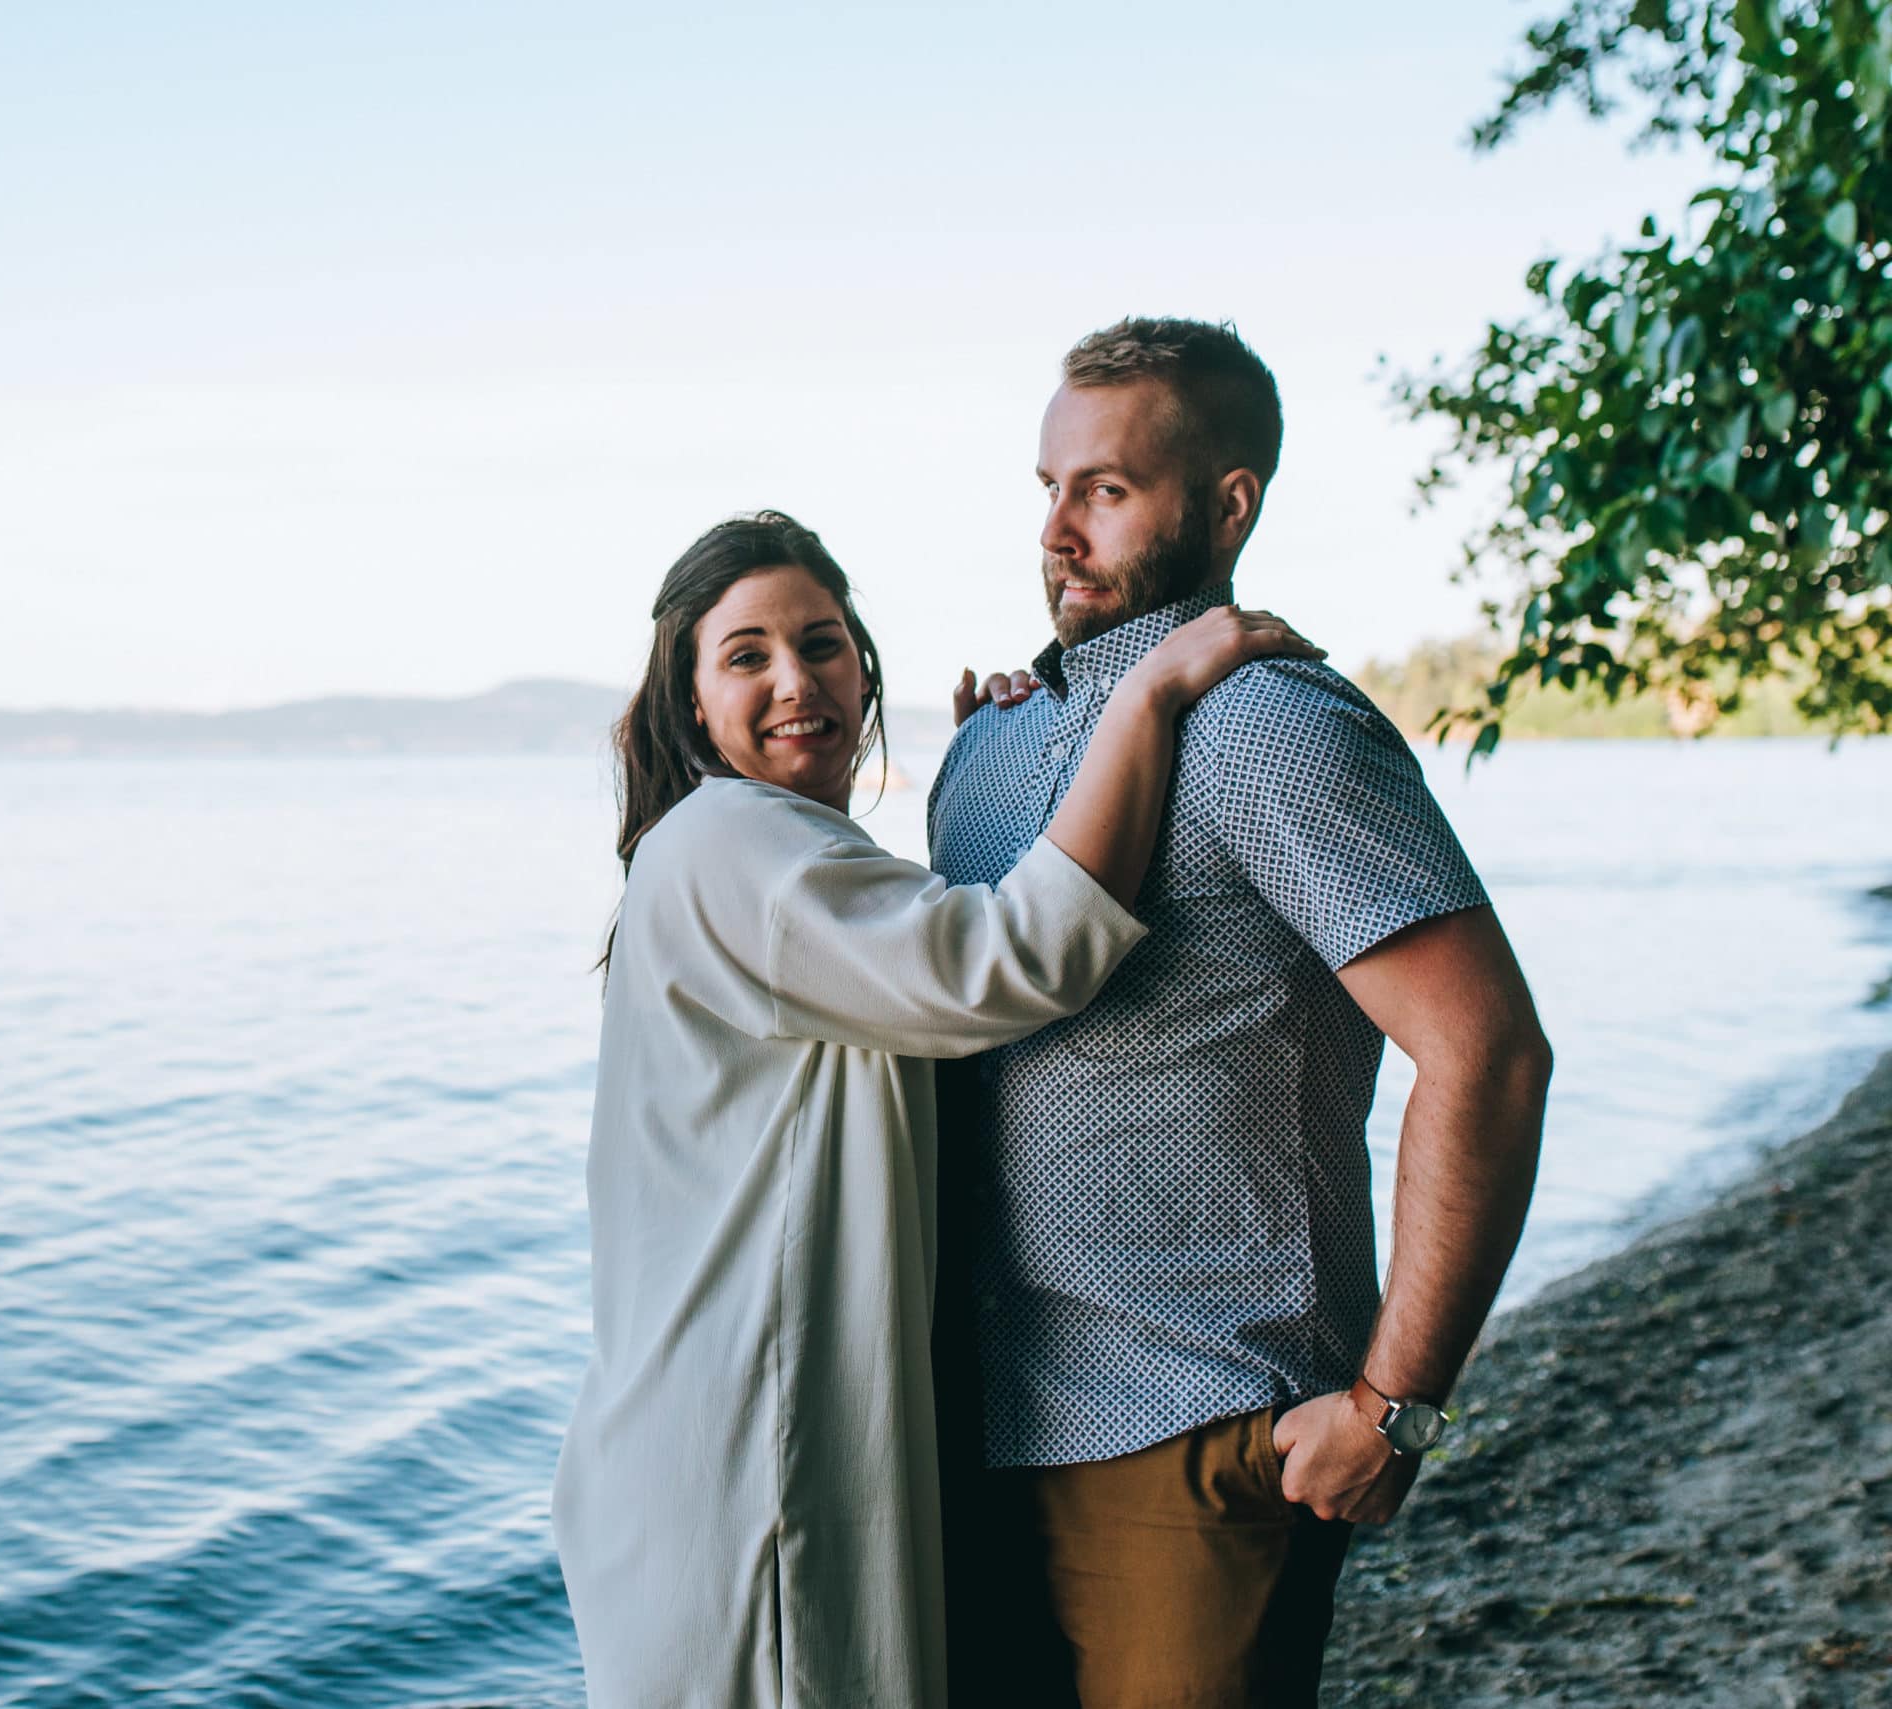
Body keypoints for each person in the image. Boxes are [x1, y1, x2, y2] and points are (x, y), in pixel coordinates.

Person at [552, 509, 1322, 1708]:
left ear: (863, 664)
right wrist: (1145, 700)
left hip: (729, 1436)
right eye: (745, 655)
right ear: (689, 702)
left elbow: (920, 995)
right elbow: (1009, 961)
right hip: (751, 1460)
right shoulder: (727, 839)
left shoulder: (769, 851)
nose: (794, 679)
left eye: (820, 643)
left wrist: (1006, 768)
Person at [930, 319, 1555, 1708]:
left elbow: (1488, 1053)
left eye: (1105, 490)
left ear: (1228, 503)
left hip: (1198, 1428)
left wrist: (1398, 1404)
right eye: (1047, 486)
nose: (1058, 528)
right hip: (980, 1417)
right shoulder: (989, 742)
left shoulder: (1271, 725)